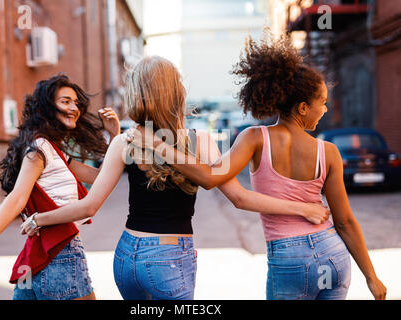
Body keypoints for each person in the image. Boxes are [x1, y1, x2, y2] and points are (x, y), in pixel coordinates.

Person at [20, 56, 330, 300]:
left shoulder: (125, 142)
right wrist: (303, 208)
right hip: (169, 258)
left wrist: (39, 219)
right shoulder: (200, 142)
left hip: (127, 257)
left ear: (137, 94)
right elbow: (239, 198)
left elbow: (89, 207)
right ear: (177, 92)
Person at [129, 35, 387, 300]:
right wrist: (371, 276)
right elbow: (344, 221)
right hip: (332, 253)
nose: (325, 109)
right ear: (302, 108)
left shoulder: (254, 138)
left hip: (290, 258)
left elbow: (208, 178)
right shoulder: (329, 152)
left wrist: (157, 145)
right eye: (322, 102)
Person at [0, 74, 121, 300]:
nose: (74, 108)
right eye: (65, 101)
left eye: (75, 102)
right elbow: (16, 199)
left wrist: (114, 136)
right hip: (60, 255)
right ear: (47, 107)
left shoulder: (54, 151)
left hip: (36, 258)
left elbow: (102, 178)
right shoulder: (39, 149)